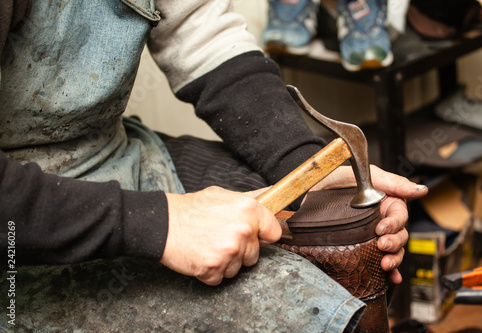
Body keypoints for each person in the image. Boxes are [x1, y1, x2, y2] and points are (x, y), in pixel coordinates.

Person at [0, 0, 427, 331]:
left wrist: (305, 165)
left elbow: (204, 40)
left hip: (113, 150)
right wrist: (158, 224)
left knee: (341, 238)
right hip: (21, 219)